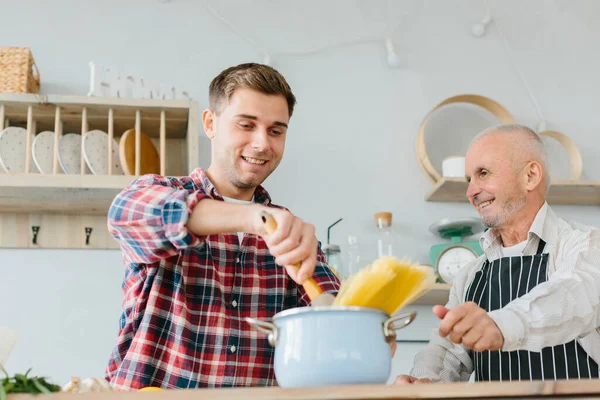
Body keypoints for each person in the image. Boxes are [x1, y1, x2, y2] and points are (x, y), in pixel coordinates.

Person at [105, 63, 340, 390]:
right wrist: (254, 219)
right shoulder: (156, 190)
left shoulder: (292, 236)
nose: (261, 144)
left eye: (276, 131)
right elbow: (125, 213)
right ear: (210, 124)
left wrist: (364, 330)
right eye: (246, 125)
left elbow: (335, 315)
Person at [396, 123, 600, 383]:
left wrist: (501, 326)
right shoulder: (471, 275)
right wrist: (425, 382)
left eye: (483, 173)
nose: (471, 192)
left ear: (530, 176)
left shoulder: (586, 245)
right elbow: (447, 351)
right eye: (469, 180)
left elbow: (574, 298)